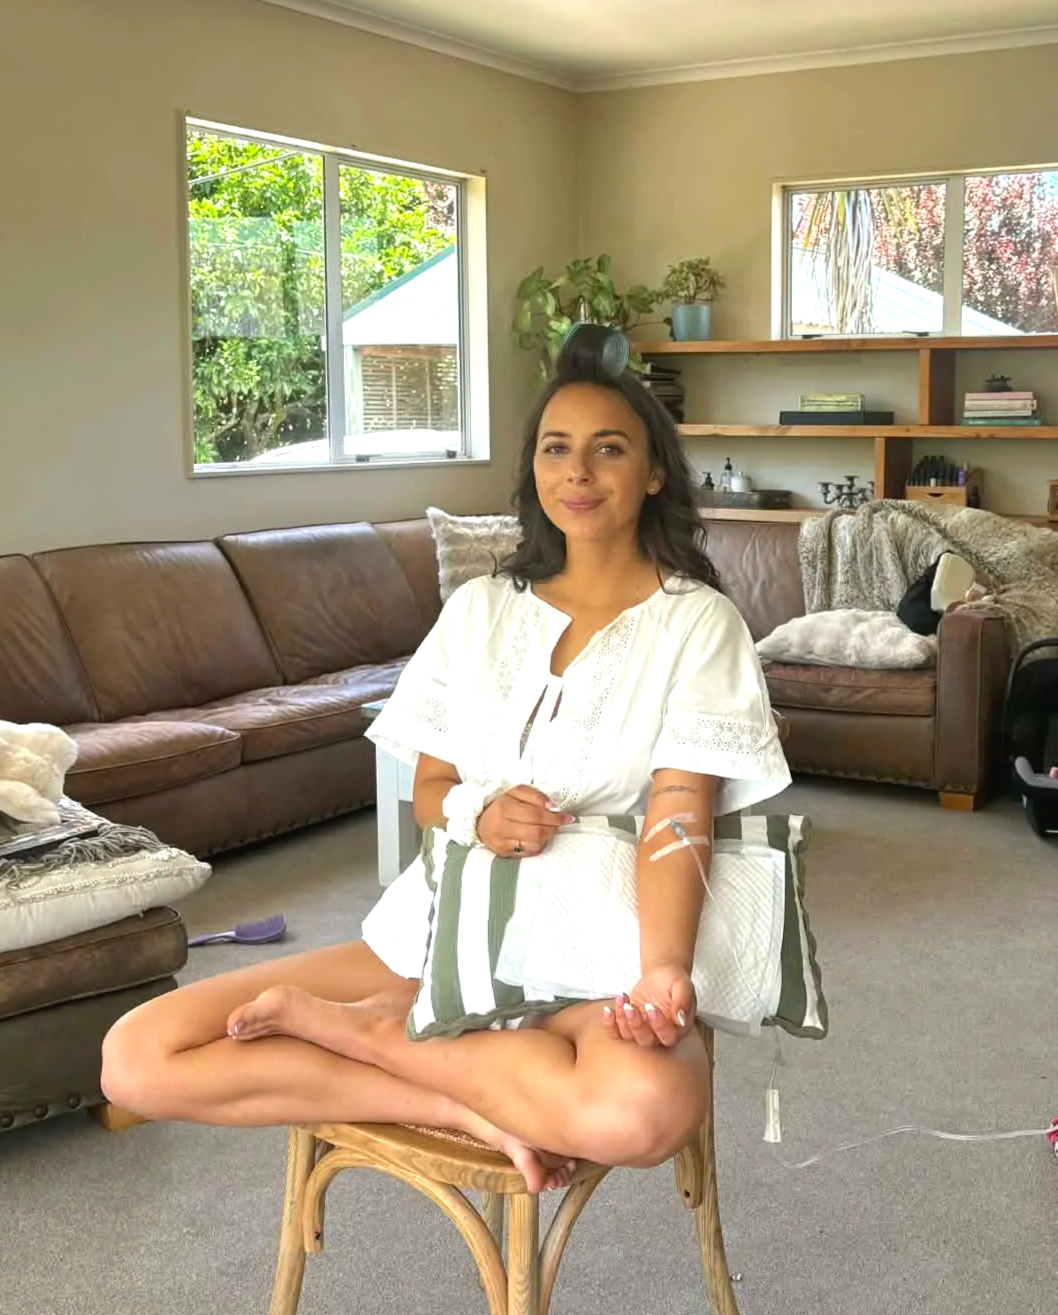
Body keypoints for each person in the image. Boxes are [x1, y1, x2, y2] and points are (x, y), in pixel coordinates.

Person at [100, 326, 791, 1194]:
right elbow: (430, 789)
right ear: (534, 472)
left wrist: (659, 973)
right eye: (556, 449)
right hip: (442, 938)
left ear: (654, 472)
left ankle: (379, 1038)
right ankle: (465, 1100)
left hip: (599, 953)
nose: (578, 472)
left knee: (640, 1112)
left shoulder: (699, 623)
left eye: (608, 449)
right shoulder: (479, 611)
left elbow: (679, 811)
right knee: (136, 1056)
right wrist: (478, 811)